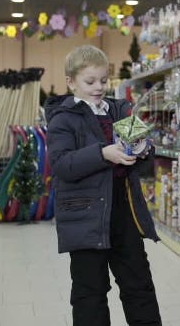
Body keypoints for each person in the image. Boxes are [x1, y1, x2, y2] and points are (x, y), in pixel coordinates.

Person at [45, 45, 162, 326]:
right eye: (90, 82)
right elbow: (62, 165)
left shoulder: (120, 110)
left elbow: (145, 163)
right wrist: (102, 153)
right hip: (85, 216)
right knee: (90, 292)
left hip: (124, 211)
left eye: (103, 80)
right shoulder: (63, 119)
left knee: (139, 285)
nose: (98, 87)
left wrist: (144, 149)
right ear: (71, 82)